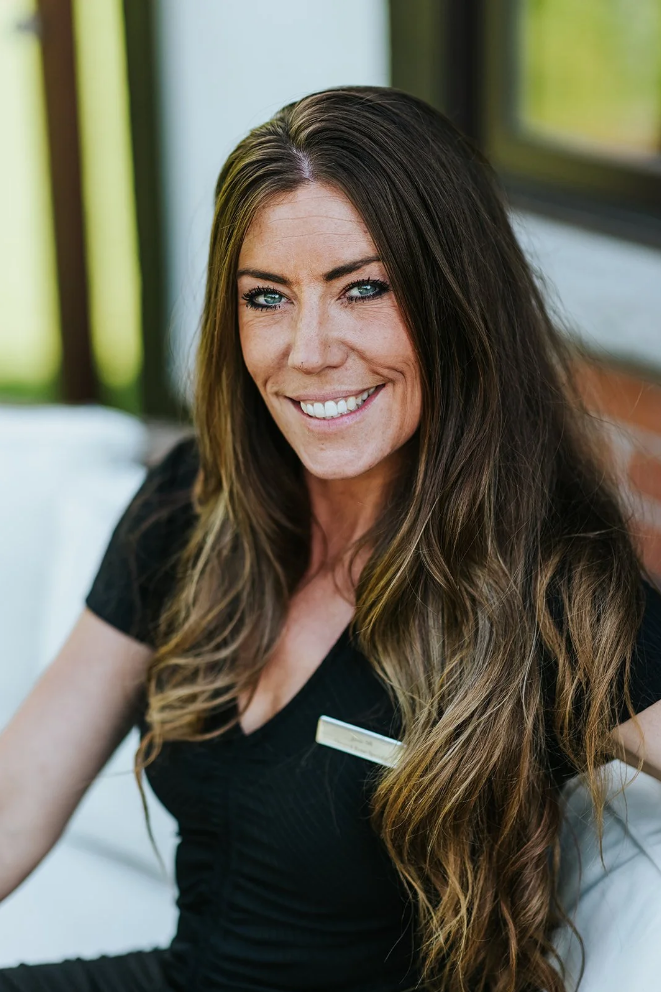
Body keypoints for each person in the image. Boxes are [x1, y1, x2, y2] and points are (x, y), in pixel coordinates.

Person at [0, 85, 660, 992]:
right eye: (266, 297)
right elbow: (16, 798)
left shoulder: (552, 587)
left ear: (457, 300)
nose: (308, 350)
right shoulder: (196, 507)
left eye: (364, 288)